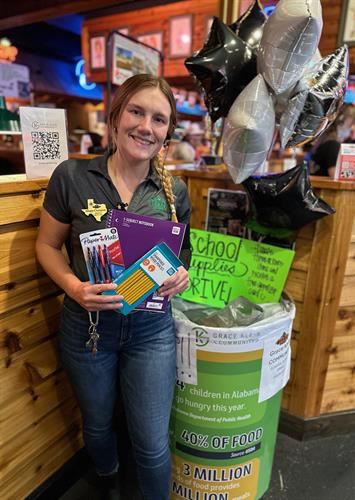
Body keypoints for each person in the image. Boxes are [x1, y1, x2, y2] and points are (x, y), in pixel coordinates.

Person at [35, 74, 192, 500]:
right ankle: (107, 481)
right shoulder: (71, 176)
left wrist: (182, 277)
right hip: (88, 330)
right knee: (99, 426)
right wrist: (73, 286)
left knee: (153, 442)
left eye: (159, 119)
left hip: (151, 332)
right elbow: (47, 246)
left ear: (167, 134)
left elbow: (183, 259)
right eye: (137, 112)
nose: (146, 126)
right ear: (116, 116)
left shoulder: (173, 190)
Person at [310, 104, 355, 178]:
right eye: (351, 124)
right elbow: (335, 176)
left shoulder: (326, 140)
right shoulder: (333, 145)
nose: (352, 128)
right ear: (340, 122)